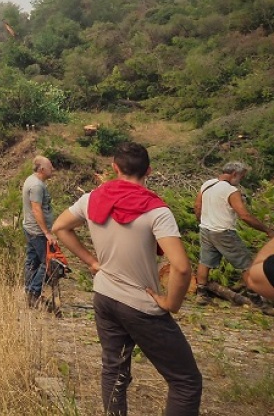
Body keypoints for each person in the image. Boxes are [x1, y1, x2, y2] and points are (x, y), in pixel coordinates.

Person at [52, 142, 201, 416]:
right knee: (185, 381)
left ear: (114, 168)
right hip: (140, 305)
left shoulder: (90, 199)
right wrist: (171, 304)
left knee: (114, 371)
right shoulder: (157, 211)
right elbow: (181, 268)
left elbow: (60, 227)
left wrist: (92, 262)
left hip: (105, 296)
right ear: (149, 171)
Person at [194, 161, 273, 303]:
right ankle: (257, 300)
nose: (240, 180)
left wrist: (202, 221)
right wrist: (266, 230)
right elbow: (244, 215)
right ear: (235, 174)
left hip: (206, 230)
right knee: (247, 264)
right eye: (241, 176)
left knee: (205, 262)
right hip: (224, 232)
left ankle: (201, 293)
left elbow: (197, 206)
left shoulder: (207, 184)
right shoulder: (231, 191)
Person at [22, 156, 57, 308]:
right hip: (37, 232)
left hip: (30, 228)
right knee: (49, 262)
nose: (53, 169)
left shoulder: (32, 180)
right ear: (42, 169)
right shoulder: (36, 186)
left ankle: (29, 294)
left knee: (32, 261)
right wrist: (47, 233)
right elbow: (36, 210)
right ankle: (34, 293)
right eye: (50, 167)